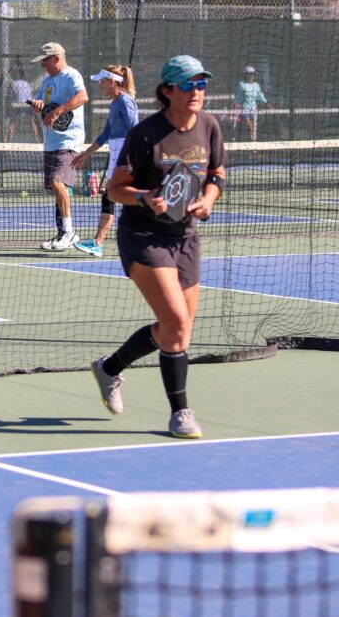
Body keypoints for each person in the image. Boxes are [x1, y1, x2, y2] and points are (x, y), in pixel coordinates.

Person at [89, 55, 225, 440]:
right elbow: (115, 189)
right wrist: (146, 196)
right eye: (188, 85)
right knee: (177, 323)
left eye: (201, 84)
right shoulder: (145, 133)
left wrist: (209, 199)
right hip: (143, 237)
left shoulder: (210, 126)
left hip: (185, 237)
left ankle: (110, 368)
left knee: (177, 333)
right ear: (168, 91)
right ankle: (180, 413)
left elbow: (215, 176)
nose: (197, 91)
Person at [72, 65, 140, 257]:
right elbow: (105, 134)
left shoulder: (126, 102)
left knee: (115, 196)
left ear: (111, 82)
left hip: (126, 153)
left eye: (102, 81)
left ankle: (99, 243)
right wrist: (86, 154)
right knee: (115, 197)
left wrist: (131, 158)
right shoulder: (115, 103)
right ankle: (101, 243)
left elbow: (135, 131)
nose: (99, 85)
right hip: (117, 150)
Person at [27, 42, 89, 250]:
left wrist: (57, 112)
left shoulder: (72, 76)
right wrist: (38, 107)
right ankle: (62, 233)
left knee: (57, 182)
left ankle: (70, 233)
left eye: (45, 60)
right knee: (57, 188)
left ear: (56, 58)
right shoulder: (47, 81)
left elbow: (82, 97)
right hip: (50, 141)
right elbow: (39, 107)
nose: (43, 65)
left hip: (69, 140)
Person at [233, 66, 267, 141]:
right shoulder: (241, 85)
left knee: (253, 128)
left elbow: (260, 96)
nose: (251, 76)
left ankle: (252, 144)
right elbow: (237, 97)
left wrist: (266, 102)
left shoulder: (256, 85)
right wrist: (236, 106)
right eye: (249, 74)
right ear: (245, 75)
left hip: (253, 110)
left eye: (252, 74)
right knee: (249, 125)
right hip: (244, 110)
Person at [6, 66, 39, 142]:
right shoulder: (27, 83)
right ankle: (36, 139)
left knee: (12, 121)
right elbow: (30, 94)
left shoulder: (13, 83)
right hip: (28, 103)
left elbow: (10, 94)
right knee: (32, 121)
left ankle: (9, 140)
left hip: (18, 104)